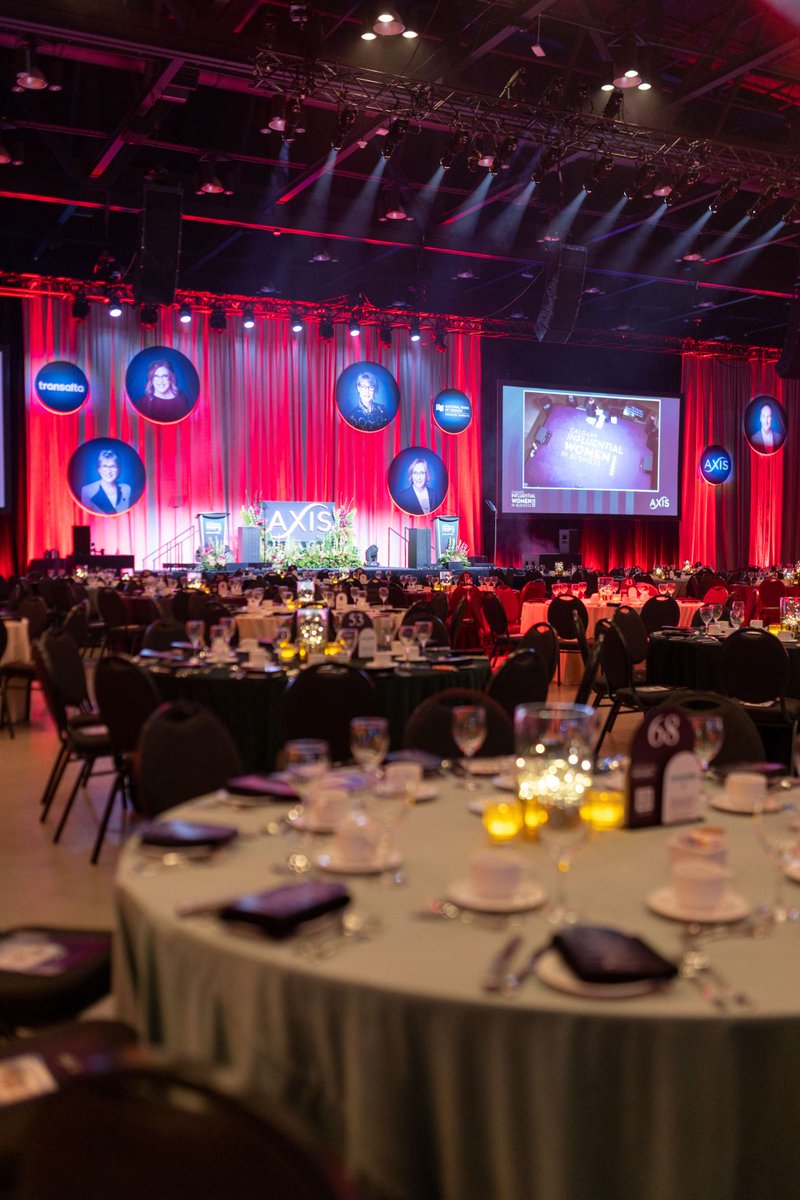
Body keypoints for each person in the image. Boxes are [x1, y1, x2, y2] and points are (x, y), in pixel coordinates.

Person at [137, 358, 190, 422]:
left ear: (171, 378)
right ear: (151, 379)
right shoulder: (143, 402)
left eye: (164, 376)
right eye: (156, 376)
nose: (160, 380)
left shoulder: (182, 398)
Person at [80, 450, 132, 515]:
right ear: (98, 469)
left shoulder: (126, 489)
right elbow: (85, 519)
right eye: (104, 466)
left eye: (113, 466)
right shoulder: (87, 491)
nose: (108, 471)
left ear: (119, 469)